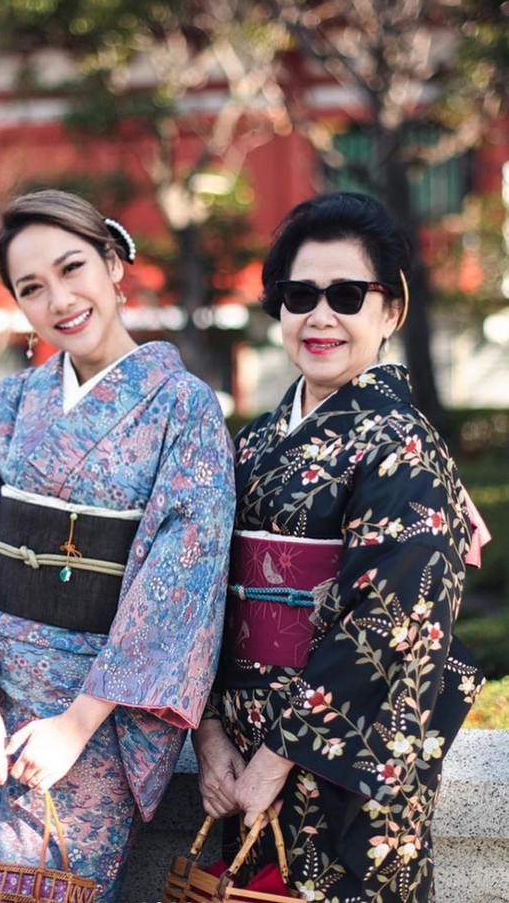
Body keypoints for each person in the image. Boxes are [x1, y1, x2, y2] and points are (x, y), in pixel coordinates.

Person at [0, 188, 235, 902]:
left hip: (98, 710)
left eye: (72, 268)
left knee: (58, 885)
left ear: (114, 263)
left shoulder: (185, 409)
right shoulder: (7, 404)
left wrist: (76, 724)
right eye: (32, 287)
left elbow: (178, 580)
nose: (59, 299)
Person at [192, 191, 489, 903]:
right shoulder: (256, 441)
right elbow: (197, 588)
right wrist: (208, 735)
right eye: (300, 295)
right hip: (238, 750)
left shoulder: (404, 447)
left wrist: (274, 761)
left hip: (338, 765)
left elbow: (391, 622)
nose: (320, 316)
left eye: (348, 295)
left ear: (392, 311)